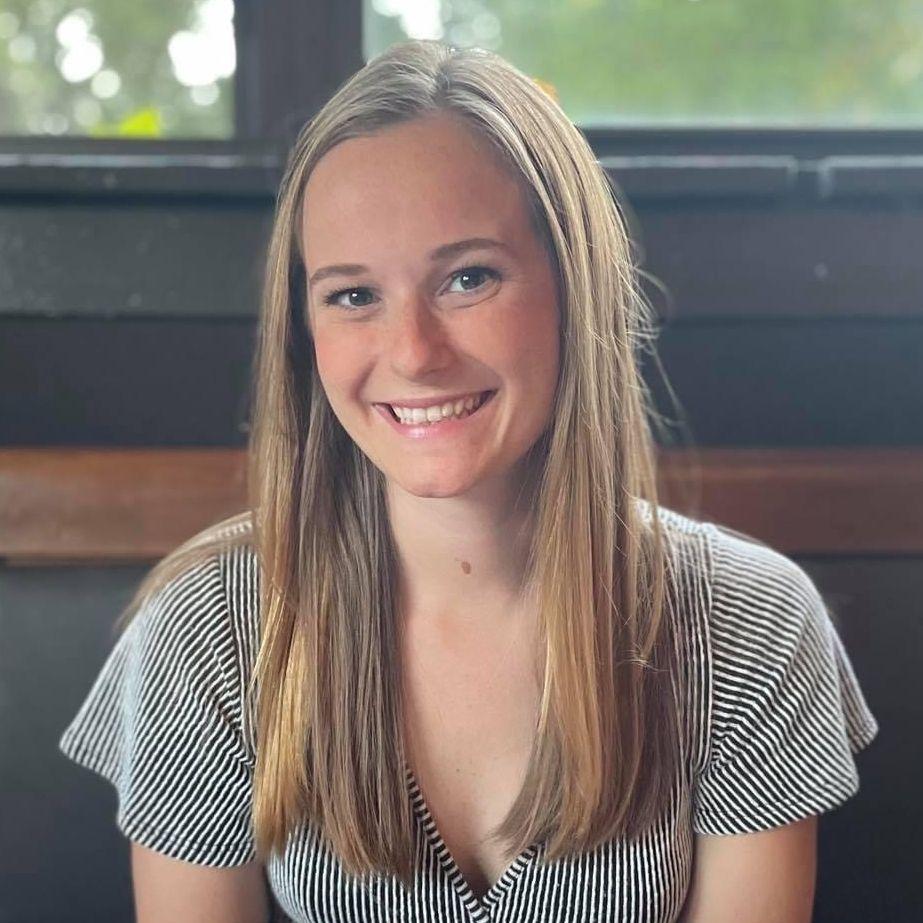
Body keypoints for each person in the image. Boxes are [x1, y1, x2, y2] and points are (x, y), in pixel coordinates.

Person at [59, 39, 878, 923]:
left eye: (467, 277)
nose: (414, 352)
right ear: (303, 330)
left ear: (573, 289)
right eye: (353, 295)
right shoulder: (209, 626)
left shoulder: (748, 621)